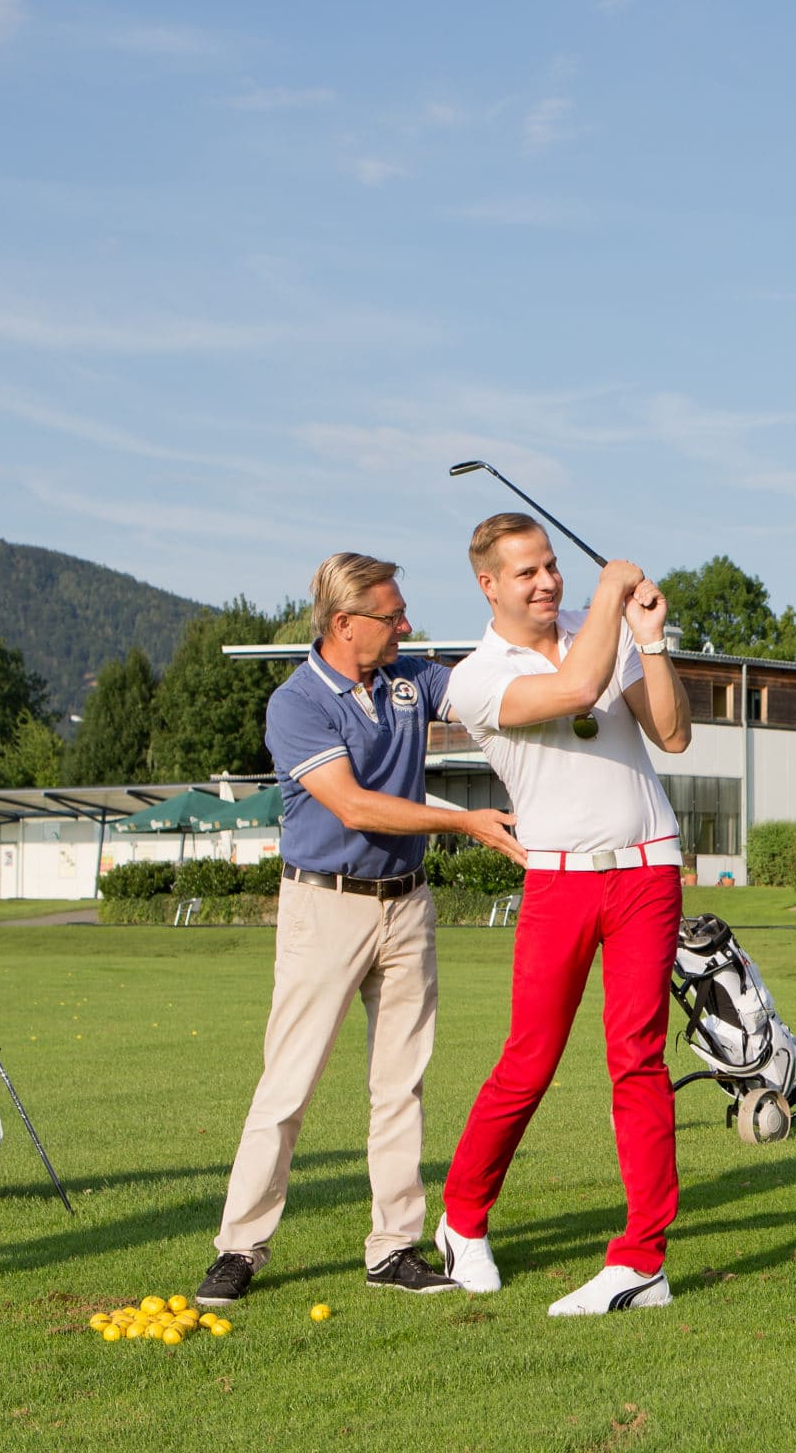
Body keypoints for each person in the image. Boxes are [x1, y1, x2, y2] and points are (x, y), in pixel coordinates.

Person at [197, 553, 523, 1306]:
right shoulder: (297, 703)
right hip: (326, 907)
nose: (405, 626)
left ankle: (394, 1248)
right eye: (391, 615)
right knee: (288, 1085)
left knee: (400, 1085)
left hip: (408, 905)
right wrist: (464, 823)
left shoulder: (409, 679)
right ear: (345, 624)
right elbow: (352, 805)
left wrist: (530, 615)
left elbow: (488, 686)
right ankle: (240, 1247)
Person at [434, 513, 694, 1315]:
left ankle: (642, 1262)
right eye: (527, 573)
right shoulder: (475, 677)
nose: (548, 582)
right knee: (529, 1061)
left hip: (648, 868)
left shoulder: (599, 627)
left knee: (639, 1060)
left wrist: (650, 642)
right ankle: (462, 1221)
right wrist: (612, 592)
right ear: (488, 585)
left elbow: (673, 735)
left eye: (551, 565)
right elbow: (578, 691)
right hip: (560, 881)